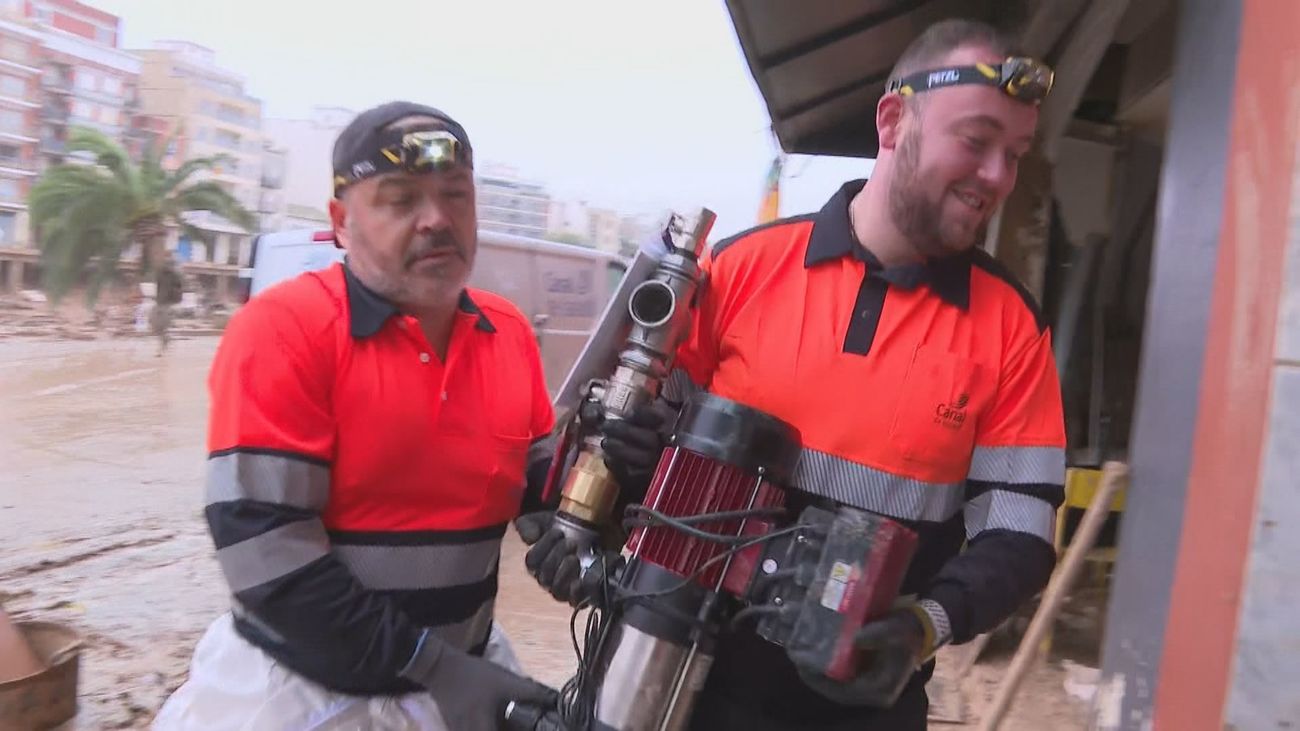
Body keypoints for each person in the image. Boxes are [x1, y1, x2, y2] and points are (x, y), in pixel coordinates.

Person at [520, 19, 1066, 730]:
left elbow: (1019, 535)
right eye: (976, 140)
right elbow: (636, 443)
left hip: (856, 709)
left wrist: (921, 626)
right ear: (893, 121)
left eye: (1014, 154)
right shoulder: (744, 269)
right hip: (673, 686)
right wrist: (600, 507)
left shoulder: (1011, 329)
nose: (997, 175)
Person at [154, 101, 556, 731]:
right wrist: (435, 668)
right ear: (341, 222)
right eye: (401, 200)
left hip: (461, 675)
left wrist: (605, 496)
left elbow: (543, 493)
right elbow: (267, 556)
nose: (437, 219)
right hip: (299, 695)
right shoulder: (283, 330)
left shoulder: (507, 333)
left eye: (456, 195)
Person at [151, 252, 183, 356]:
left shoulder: (176, 275)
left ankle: (162, 347)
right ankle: (166, 340)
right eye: (166, 259)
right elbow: (157, 286)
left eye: (169, 259)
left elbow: (179, 289)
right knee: (154, 324)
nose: (167, 262)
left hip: (168, 303)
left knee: (163, 325)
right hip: (159, 301)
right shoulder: (160, 272)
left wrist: (176, 302)